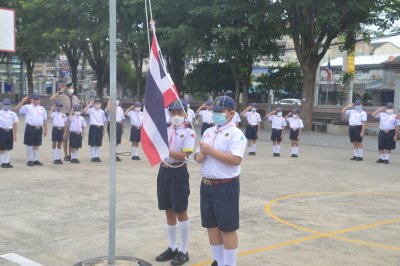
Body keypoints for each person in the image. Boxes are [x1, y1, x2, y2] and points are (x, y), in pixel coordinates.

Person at [194, 96, 246, 266]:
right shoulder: (209, 131)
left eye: (220, 111)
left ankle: (229, 264)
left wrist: (210, 150)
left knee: (227, 227)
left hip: (225, 186)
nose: (216, 114)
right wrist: (199, 155)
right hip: (207, 185)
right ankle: (219, 261)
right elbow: (197, 154)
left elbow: (235, 159)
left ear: (231, 113)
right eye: (214, 111)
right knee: (212, 226)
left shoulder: (236, 134)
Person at [155, 100, 195, 266]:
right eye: (173, 112)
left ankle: (183, 250)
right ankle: (172, 247)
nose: (176, 115)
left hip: (178, 171)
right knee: (168, 210)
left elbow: (184, 155)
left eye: (180, 112)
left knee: (180, 211)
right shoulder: (165, 129)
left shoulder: (188, 133)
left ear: (185, 113)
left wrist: (165, 149)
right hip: (164, 170)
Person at [49, 82, 80, 161]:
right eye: (70, 88)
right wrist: (59, 92)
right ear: (67, 88)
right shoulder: (62, 96)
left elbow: (78, 107)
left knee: (72, 137)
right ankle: (66, 154)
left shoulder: (75, 98)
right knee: (65, 137)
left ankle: (71, 154)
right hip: (65, 116)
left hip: (73, 117)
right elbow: (51, 98)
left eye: (72, 87)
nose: (72, 89)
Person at [16, 94, 48, 166]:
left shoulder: (42, 109)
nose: (36, 101)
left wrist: (45, 130)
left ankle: (35, 160)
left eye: (37, 100)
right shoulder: (27, 107)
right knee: (29, 145)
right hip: (30, 128)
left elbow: (45, 120)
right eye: (34, 99)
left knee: (36, 145)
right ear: (31, 100)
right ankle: (29, 160)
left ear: (39, 100)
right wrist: (22, 102)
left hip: (39, 128)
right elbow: (17, 109)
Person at [84, 97, 107, 162]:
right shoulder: (91, 110)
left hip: (100, 127)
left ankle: (97, 156)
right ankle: (93, 156)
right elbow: (84, 111)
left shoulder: (102, 111)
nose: (98, 104)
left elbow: (103, 121)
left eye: (99, 103)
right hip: (93, 127)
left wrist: (103, 130)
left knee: (98, 143)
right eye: (96, 103)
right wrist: (89, 105)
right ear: (94, 104)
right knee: (92, 142)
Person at [0, 98, 19, 168]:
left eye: (7, 104)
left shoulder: (12, 114)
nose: (6, 106)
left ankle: (7, 162)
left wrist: (15, 134)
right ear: (2, 104)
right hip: (1, 131)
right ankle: (2, 162)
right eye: (5, 104)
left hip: (9, 131)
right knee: (1, 148)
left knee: (8, 147)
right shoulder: (0, 113)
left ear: (10, 105)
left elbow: (15, 124)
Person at [48, 100, 67, 164]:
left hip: (61, 130)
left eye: (60, 106)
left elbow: (64, 124)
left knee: (59, 144)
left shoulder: (63, 115)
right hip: (55, 129)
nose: (59, 107)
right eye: (58, 106)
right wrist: (51, 110)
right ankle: (54, 158)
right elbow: (48, 117)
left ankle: (58, 158)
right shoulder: (53, 113)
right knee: (54, 143)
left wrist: (64, 132)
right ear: (55, 107)